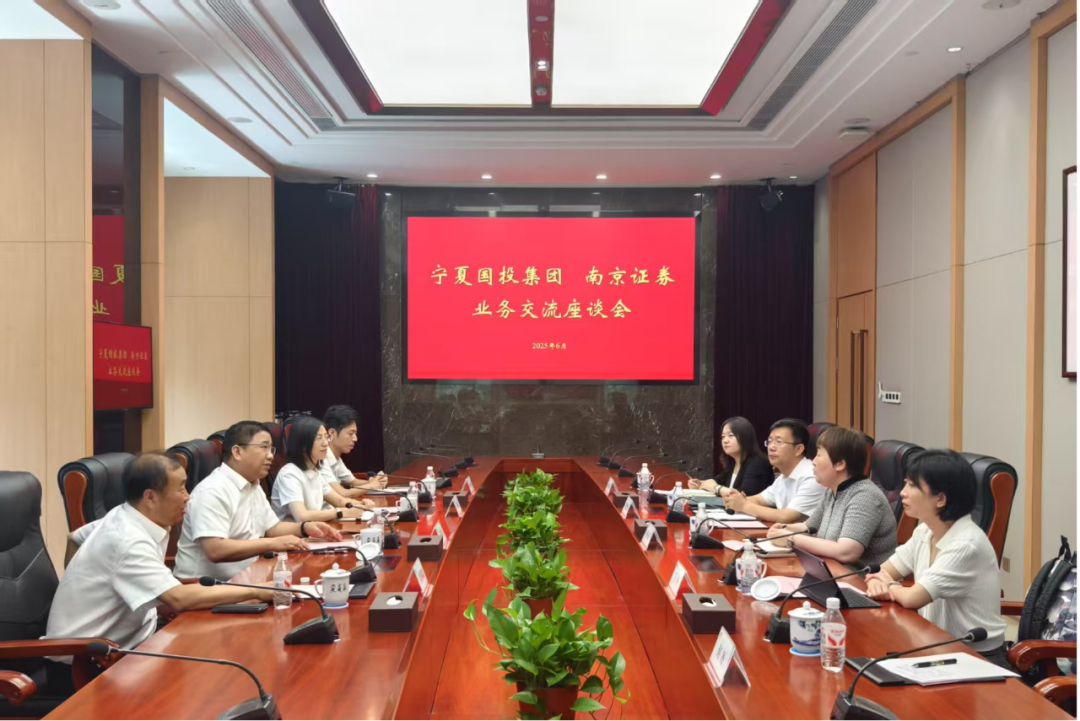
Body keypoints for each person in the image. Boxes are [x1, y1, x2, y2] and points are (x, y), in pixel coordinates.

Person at [46, 454, 275, 656]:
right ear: (150, 497)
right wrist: (259, 590)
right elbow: (179, 598)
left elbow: (74, 537)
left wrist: (81, 586)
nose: (188, 497)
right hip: (89, 658)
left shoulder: (125, 515)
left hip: (137, 641)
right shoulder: (127, 539)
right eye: (181, 488)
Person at [865, 450, 1008, 666]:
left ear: (940, 499)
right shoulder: (925, 531)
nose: (903, 493)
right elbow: (881, 571)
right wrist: (880, 581)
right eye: (905, 484)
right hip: (933, 642)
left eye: (912, 485)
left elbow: (912, 598)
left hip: (975, 657)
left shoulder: (966, 544)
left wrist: (889, 585)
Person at [174, 421, 343, 582]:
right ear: (237, 452)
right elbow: (216, 550)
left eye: (271, 449)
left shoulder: (253, 484)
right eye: (264, 448)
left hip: (249, 576)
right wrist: (272, 544)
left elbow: (272, 528)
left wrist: (305, 528)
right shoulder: (212, 491)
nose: (270, 456)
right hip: (207, 587)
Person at [767, 426, 897, 570]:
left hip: (859, 579)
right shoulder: (833, 490)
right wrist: (784, 528)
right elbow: (809, 527)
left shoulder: (865, 496)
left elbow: (846, 552)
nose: (813, 461)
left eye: (819, 455)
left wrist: (791, 539)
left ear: (840, 464)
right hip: (828, 570)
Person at [271, 415, 375, 523]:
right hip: (295, 532)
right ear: (302, 444)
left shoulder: (314, 471)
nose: (326, 443)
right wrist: (341, 512)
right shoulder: (289, 474)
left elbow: (339, 501)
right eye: (319, 438)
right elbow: (302, 516)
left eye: (326, 437)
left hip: (315, 528)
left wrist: (361, 505)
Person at [719, 419, 825, 524]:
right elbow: (759, 499)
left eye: (779, 442)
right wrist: (736, 499)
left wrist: (744, 505)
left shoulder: (812, 477)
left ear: (798, 449)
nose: (771, 447)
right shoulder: (783, 478)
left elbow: (786, 516)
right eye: (769, 442)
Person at [689, 417, 775, 498]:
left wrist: (716, 488)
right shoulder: (733, 463)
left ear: (745, 437)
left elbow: (744, 495)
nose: (725, 440)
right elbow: (716, 481)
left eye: (730, 435)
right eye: (723, 437)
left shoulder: (758, 462)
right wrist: (700, 484)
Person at [323, 404, 388, 499]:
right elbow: (342, 494)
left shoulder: (336, 457)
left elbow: (353, 482)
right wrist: (371, 485)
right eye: (350, 433)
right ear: (332, 433)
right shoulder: (321, 458)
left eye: (355, 434)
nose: (355, 439)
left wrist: (376, 481)